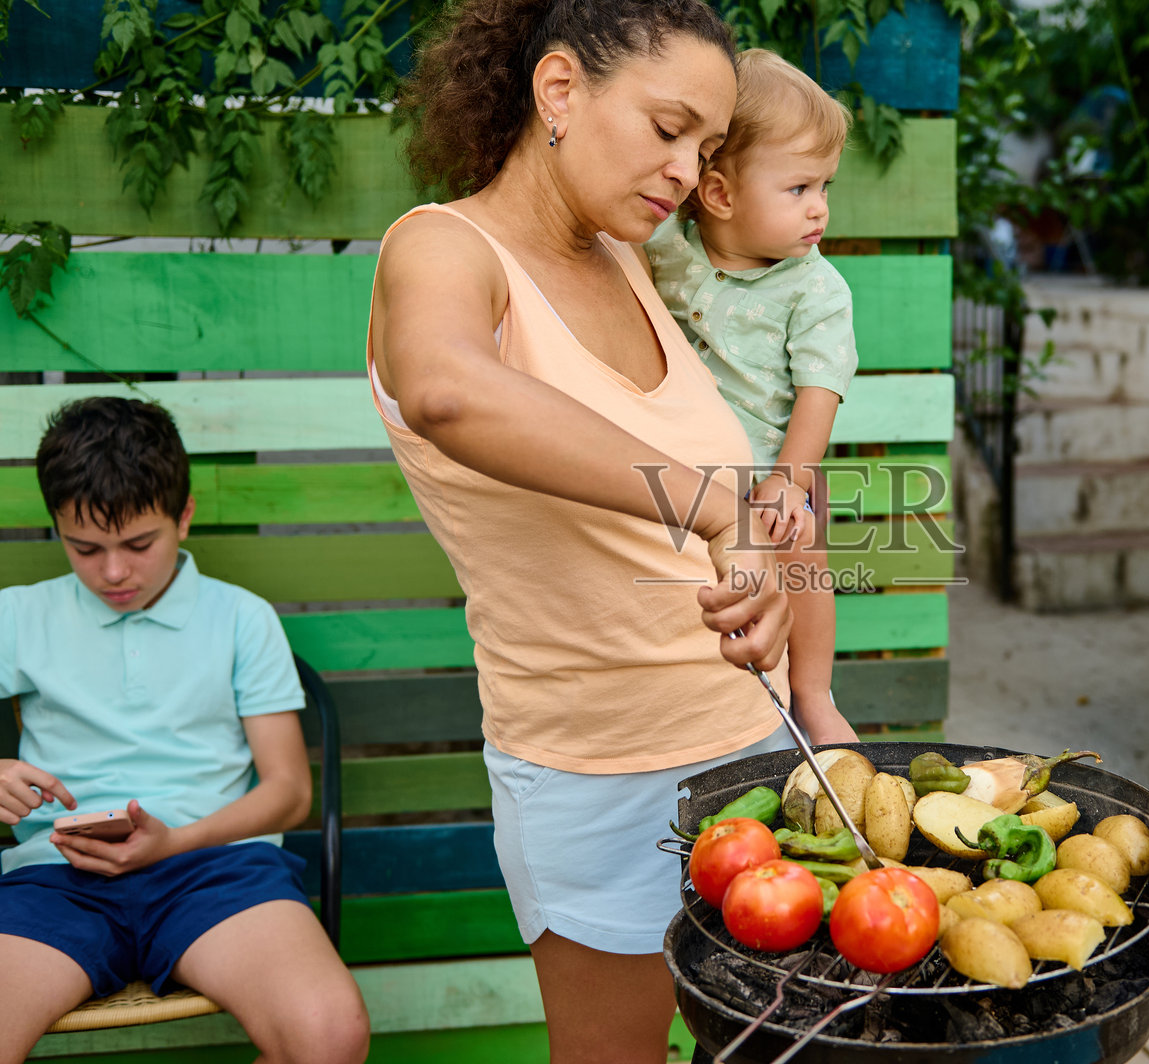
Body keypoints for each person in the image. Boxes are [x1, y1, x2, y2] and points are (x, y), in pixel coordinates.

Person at [372, 2, 856, 1060]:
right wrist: (717, 504)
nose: (687, 170)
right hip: (599, 773)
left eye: (707, 148)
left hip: (751, 743)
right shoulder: (443, 249)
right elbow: (445, 388)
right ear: (559, 92)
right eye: (667, 127)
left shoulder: (640, 263)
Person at [0, 397, 369, 1064]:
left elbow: (288, 792)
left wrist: (173, 842)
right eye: (84, 547)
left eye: (139, 545)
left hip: (215, 868)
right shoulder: (18, 616)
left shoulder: (240, 618)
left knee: (328, 1035)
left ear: (185, 515)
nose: (113, 573)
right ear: (56, 526)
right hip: (56, 876)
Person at [645, 48, 858, 732]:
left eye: (825, 187)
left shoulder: (815, 287)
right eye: (799, 190)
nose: (819, 209)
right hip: (676, 478)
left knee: (801, 549)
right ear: (720, 195)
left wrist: (791, 481)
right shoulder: (664, 249)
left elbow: (819, 389)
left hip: (766, 474)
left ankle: (814, 693)